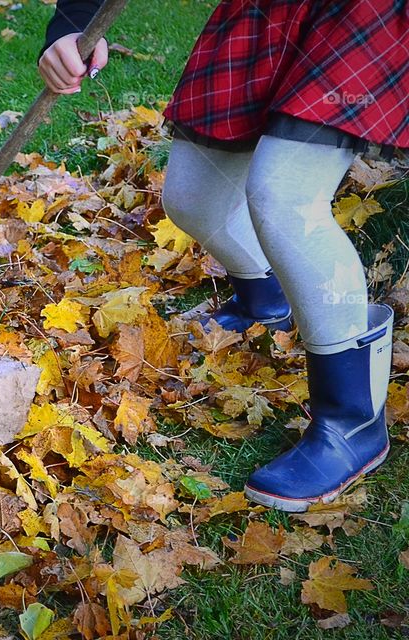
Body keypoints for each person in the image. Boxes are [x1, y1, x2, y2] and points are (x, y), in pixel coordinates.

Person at [39, 0, 409, 512]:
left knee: (285, 199)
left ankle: (353, 423)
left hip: (360, 12)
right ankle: (266, 304)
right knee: (193, 198)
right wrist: (73, 22)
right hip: (263, 10)